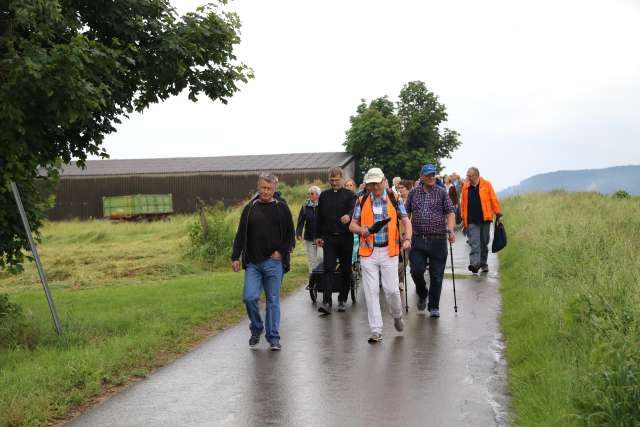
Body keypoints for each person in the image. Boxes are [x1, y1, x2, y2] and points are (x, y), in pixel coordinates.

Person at [231, 173, 295, 350]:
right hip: (253, 263)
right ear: (258, 188)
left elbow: (290, 234)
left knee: (273, 300)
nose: (266, 192)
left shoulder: (281, 208)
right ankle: (257, 327)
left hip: (274, 263)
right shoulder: (250, 208)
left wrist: (281, 252)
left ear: (274, 189)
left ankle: (273, 337)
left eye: (269, 188)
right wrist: (235, 257)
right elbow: (240, 235)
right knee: (249, 297)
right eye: (263, 188)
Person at [350, 167, 412, 343]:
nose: (375, 188)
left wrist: (407, 239)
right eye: (371, 185)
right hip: (368, 251)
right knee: (371, 290)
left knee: (392, 290)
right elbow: (352, 225)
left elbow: (406, 221)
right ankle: (376, 330)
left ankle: (397, 315)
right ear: (367, 185)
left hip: (389, 251)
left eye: (377, 184)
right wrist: (362, 230)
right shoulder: (361, 200)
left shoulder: (394, 198)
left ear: (384, 181)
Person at [405, 164, 456, 318]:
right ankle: (422, 293)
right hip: (418, 239)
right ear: (421, 177)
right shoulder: (413, 193)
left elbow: (450, 212)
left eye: (433, 174)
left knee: (437, 275)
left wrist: (451, 230)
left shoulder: (441, 192)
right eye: (428, 175)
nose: (431, 177)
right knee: (415, 271)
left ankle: (434, 306)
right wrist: (404, 233)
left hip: (438, 239)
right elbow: (405, 213)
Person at [315, 167, 357, 314]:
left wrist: (349, 215)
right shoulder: (324, 196)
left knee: (346, 270)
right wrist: (318, 236)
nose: (334, 182)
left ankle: (342, 299)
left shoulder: (350, 195)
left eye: (337, 180)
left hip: (346, 237)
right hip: (329, 238)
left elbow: (355, 209)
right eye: (331, 180)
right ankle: (326, 301)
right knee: (328, 268)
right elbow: (318, 217)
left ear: (342, 179)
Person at [460, 167, 502, 274]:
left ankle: (483, 264)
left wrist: (498, 213)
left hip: (485, 219)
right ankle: (474, 264)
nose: (468, 178)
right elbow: (463, 204)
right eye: (467, 176)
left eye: (469, 176)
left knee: (484, 243)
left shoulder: (486, 184)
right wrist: (463, 219)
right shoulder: (465, 187)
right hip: (471, 221)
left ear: (476, 176)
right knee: (474, 243)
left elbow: (493, 199)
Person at [296, 185, 323, 273]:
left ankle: (321, 277)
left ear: (318, 195)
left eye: (312, 193)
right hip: (309, 237)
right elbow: (300, 221)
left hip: (321, 237)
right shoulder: (305, 206)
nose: (310, 195)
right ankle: (313, 280)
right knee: (312, 260)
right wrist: (299, 233)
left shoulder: (323, 205)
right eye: (309, 194)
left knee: (321, 257)